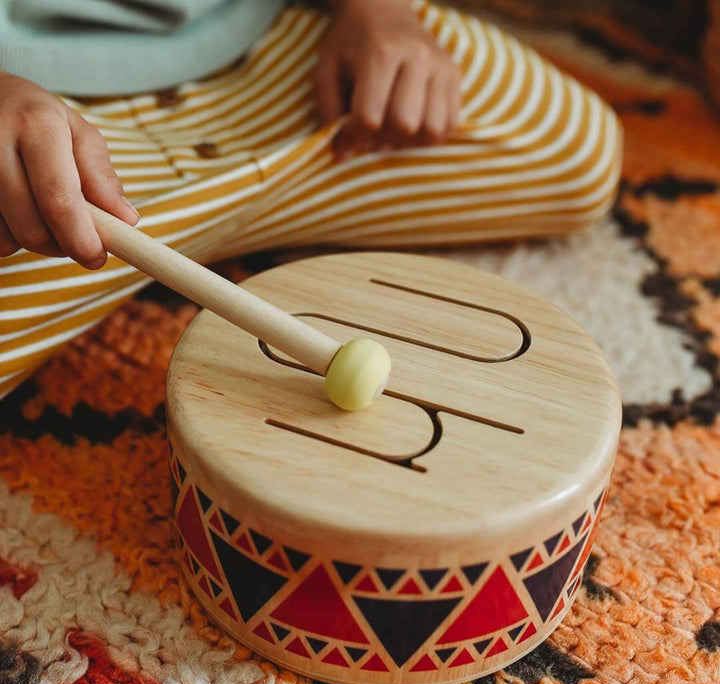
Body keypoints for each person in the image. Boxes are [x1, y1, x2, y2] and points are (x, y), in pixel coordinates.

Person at [0, 0, 622, 398]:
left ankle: (205, 221)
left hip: (276, 46)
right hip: (35, 116)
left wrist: (379, 11)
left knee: (571, 147)